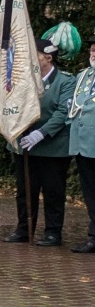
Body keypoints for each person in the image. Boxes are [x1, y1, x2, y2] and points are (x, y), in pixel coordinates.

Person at [6, 24, 78, 246]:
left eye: (34, 53)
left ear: (48, 57)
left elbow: (63, 112)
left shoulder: (66, 81)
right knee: (25, 189)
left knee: (53, 191)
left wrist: (42, 133)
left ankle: (53, 232)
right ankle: (23, 228)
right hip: (24, 143)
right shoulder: (22, 79)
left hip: (52, 146)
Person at [68, 38, 95, 256]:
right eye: (92, 49)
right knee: (90, 192)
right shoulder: (83, 76)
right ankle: (94, 236)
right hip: (84, 143)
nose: (93, 52)